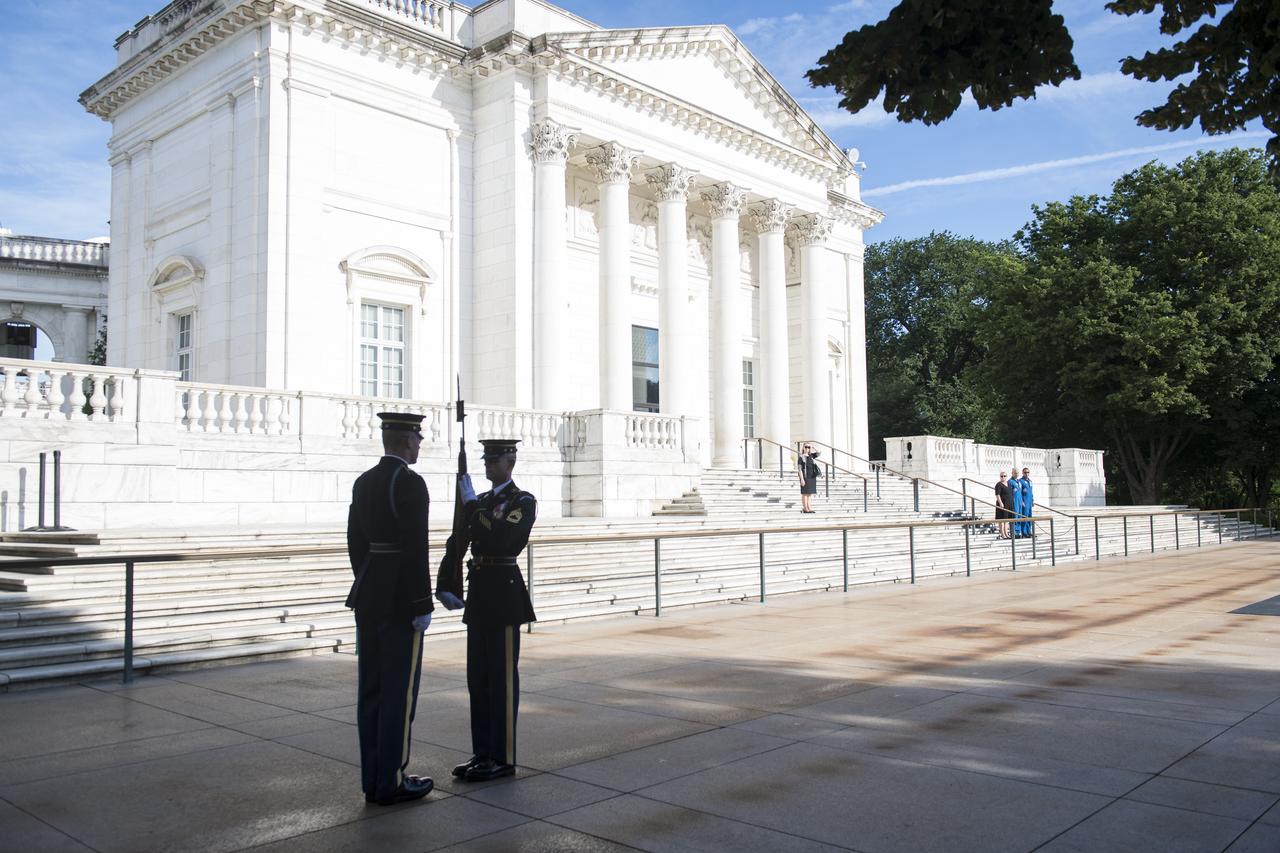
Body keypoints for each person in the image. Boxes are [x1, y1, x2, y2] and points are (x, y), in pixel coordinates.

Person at [345, 411, 435, 806]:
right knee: (399, 692)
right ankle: (392, 780)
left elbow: (355, 543)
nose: (419, 446)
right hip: (401, 599)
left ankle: (372, 777)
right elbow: (416, 548)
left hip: (368, 593)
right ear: (404, 441)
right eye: (417, 440)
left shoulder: (364, 482)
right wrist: (422, 602)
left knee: (372, 690)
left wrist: (370, 580)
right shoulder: (411, 484)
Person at [438, 438, 537, 783]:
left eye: (494, 460)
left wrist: (472, 508)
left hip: (505, 598)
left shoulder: (522, 501)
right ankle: (483, 753)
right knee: (477, 680)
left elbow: (505, 540)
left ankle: (503, 757)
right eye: (486, 460)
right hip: (480, 596)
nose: (488, 465)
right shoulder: (479, 502)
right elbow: (457, 541)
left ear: (510, 462)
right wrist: (445, 583)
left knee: (502, 679)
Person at [797, 443, 821, 513]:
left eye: (808, 447)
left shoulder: (812, 456)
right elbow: (799, 469)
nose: (807, 448)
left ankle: (809, 507)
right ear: (803, 448)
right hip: (805, 477)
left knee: (809, 493)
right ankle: (805, 508)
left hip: (812, 477)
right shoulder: (801, 457)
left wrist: (813, 446)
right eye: (806, 447)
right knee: (805, 493)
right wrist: (801, 479)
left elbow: (819, 452)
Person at [994, 471, 1013, 539]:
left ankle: (1006, 534)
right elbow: (997, 495)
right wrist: (1001, 503)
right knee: (1001, 520)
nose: (1003, 477)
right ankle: (1003, 534)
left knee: (1007, 520)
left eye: (1004, 476)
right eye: (1001, 476)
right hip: (1002, 504)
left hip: (1009, 504)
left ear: (1006, 476)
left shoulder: (1009, 484)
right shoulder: (998, 484)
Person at [1008, 468, 1025, 538]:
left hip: (1020, 501)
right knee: (1014, 516)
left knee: (1019, 516)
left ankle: (1018, 532)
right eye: (1015, 473)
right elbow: (1009, 493)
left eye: (1017, 473)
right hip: (1014, 501)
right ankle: (1013, 532)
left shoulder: (1019, 481)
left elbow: (1020, 492)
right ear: (1012, 473)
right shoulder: (1010, 481)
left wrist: (1022, 501)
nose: (1016, 474)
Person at [1020, 467, 1035, 538]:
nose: (1026, 474)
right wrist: (1022, 501)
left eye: (1028, 472)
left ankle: (1029, 531)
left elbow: (1031, 492)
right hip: (1024, 501)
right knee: (1025, 516)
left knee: (1029, 517)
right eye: (1025, 472)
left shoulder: (1030, 481)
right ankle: (1024, 532)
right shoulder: (1021, 481)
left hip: (1029, 502)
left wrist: (1032, 500)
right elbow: (1019, 493)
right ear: (1022, 473)